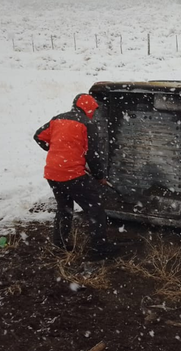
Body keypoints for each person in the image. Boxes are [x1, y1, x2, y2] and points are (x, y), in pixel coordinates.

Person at [34, 93, 119, 259]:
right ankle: (99, 248)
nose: (93, 113)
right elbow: (94, 155)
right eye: (93, 109)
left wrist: (55, 149)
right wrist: (99, 175)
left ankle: (59, 245)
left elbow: (38, 136)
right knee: (95, 207)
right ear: (88, 108)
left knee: (64, 208)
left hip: (52, 173)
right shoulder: (88, 124)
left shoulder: (57, 119)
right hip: (72, 175)